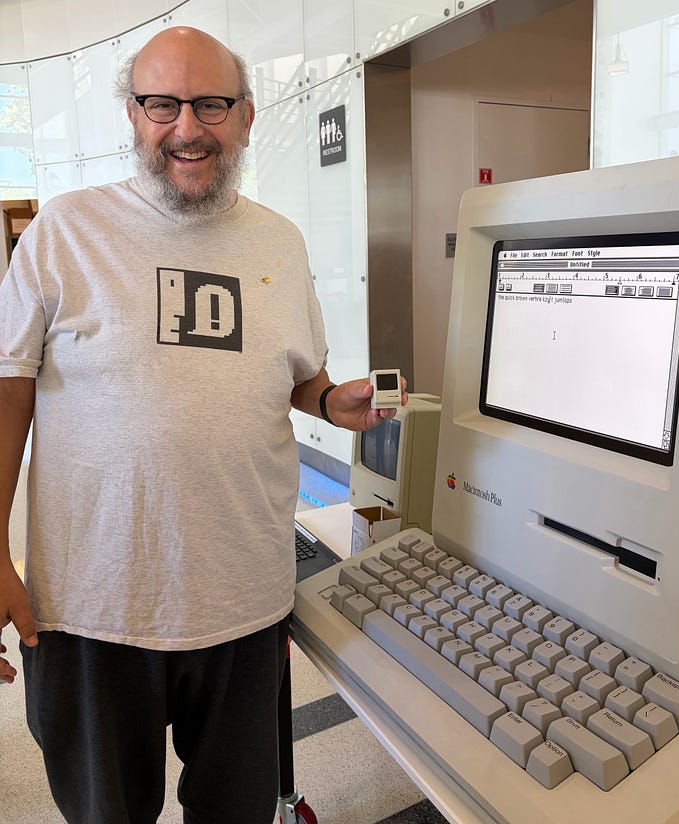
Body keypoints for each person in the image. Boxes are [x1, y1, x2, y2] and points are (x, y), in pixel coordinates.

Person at [0, 26, 406, 824]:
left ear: (247, 117)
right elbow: (8, 391)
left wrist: (330, 403)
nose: (187, 128)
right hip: (91, 609)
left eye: (211, 104)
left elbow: (295, 375)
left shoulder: (279, 243)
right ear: (132, 113)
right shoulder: (64, 233)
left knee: (237, 810)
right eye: (162, 103)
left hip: (243, 605)